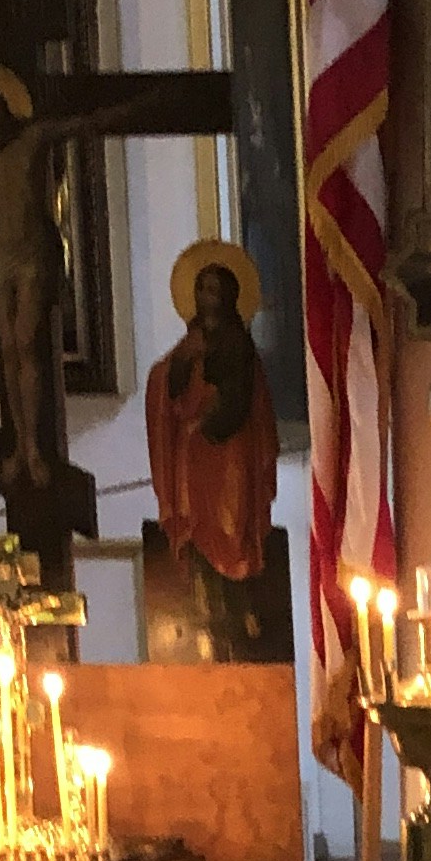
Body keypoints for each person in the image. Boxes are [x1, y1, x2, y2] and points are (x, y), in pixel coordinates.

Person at [143, 247, 278, 615]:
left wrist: (212, 415)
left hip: (230, 451)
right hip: (192, 453)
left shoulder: (240, 345)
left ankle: (239, 609)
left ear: (230, 296)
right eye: (202, 289)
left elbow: (244, 402)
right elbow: (166, 383)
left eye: (216, 289)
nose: (209, 298)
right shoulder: (188, 345)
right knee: (194, 521)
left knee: (231, 522)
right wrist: (183, 363)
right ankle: (204, 604)